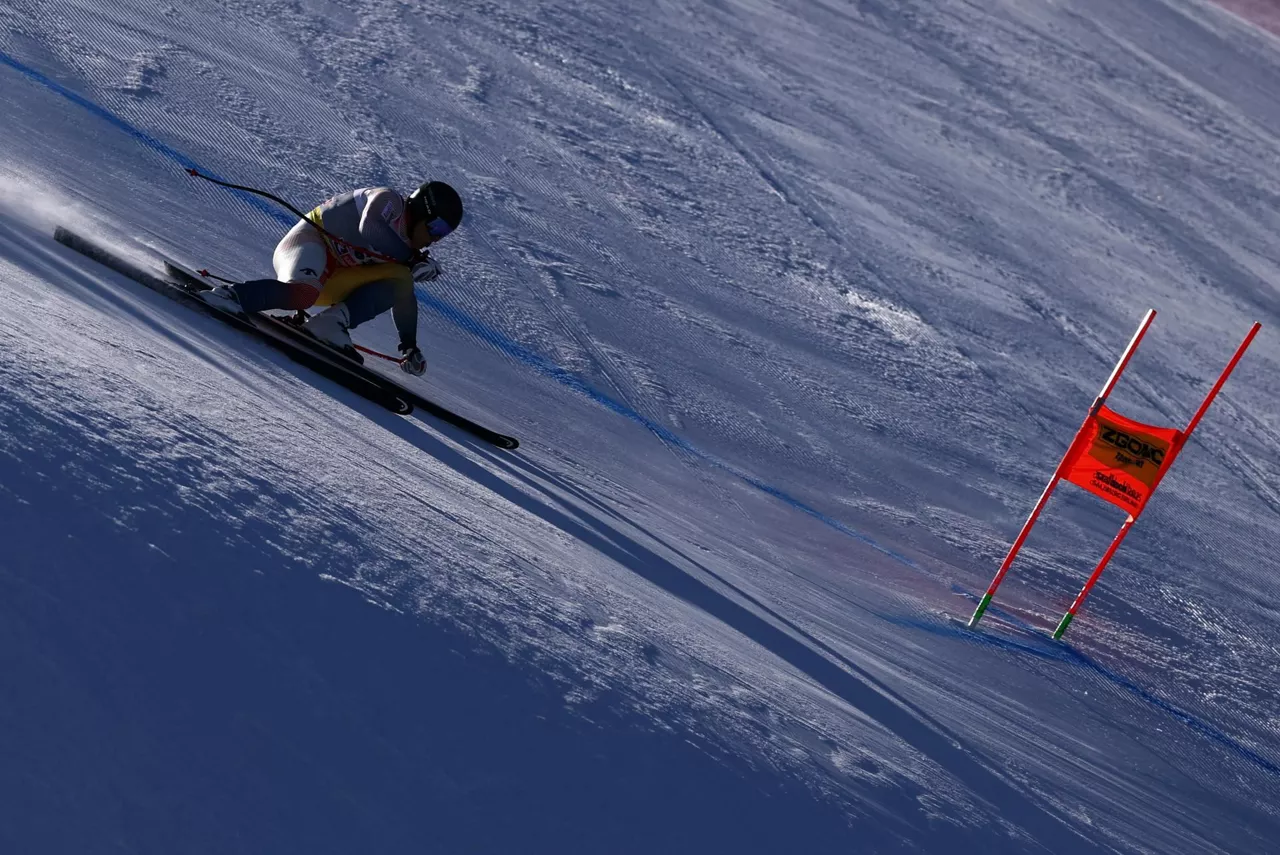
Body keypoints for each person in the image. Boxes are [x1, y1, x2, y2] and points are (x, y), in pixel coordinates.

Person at [199, 181, 464, 375]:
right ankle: (229, 296)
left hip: (333, 276)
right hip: (309, 243)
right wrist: (409, 258)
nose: (436, 237)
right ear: (420, 211)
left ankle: (330, 324)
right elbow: (370, 228)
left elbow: (403, 295)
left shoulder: (407, 250)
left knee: (402, 278)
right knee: (303, 293)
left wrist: (409, 346)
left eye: (444, 233)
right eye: (436, 227)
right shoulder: (390, 202)